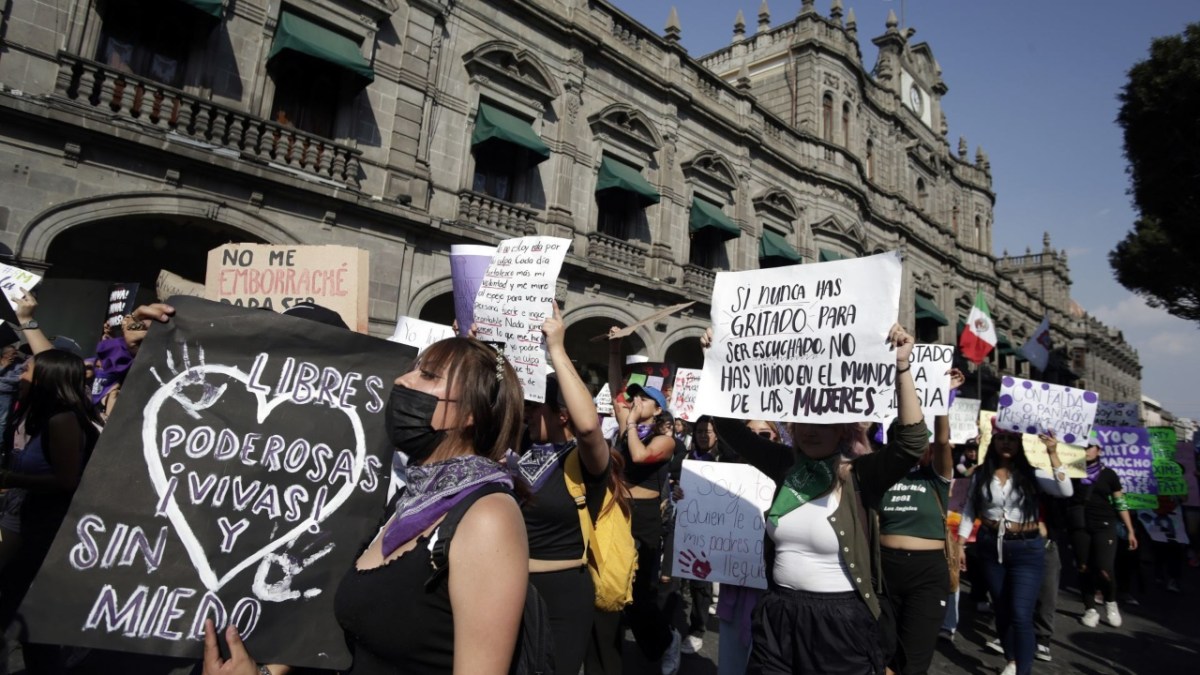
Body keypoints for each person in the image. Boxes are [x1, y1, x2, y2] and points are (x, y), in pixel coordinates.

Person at [205, 336, 529, 675]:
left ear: (471, 414)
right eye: (412, 371)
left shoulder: (489, 517)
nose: (402, 381)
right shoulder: (408, 503)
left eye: (429, 376)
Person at [703, 323, 928, 675]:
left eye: (823, 423)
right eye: (802, 422)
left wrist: (902, 365)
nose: (811, 430)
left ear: (842, 428)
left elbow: (912, 444)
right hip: (777, 615)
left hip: (840, 624)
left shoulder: (860, 475)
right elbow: (730, 429)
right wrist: (716, 360)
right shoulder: (784, 464)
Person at [517, 305, 613, 675]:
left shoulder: (584, 459)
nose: (525, 412)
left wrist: (557, 348)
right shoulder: (515, 448)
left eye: (534, 406)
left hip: (560, 597)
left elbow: (589, 428)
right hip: (504, 586)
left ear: (561, 414)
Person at [0, 343, 104, 671]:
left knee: (19, 606)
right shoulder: (35, 415)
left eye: (28, 369)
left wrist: (11, 477)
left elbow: (66, 480)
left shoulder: (64, 421)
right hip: (21, 514)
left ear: (47, 378)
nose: (21, 374)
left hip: (42, 525)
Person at [958, 427, 1073, 675]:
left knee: (1021, 613)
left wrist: (1053, 453)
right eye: (1001, 438)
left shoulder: (1032, 474)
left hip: (1026, 549)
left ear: (1020, 444)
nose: (1006, 443)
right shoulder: (981, 474)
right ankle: (1011, 659)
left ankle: (1023, 669)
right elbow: (969, 509)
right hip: (991, 547)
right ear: (994, 442)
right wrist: (960, 543)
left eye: (1012, 439)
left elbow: (1066, 490)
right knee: (1001, 609)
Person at [607, 327, 682, 675]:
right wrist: (614, 351)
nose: (633, 401)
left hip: (647, 516)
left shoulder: (665, 440)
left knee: (639, 591)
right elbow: (613, 388)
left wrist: (632, 422)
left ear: (658, 407)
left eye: (642, 398)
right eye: (633, 397)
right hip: (619, 511)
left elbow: (638, 458)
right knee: (613, 579)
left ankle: (667, 640)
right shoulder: (629, 422)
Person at [880, 368, 964, 675]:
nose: (910, 447)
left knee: (913, 662)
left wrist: (943, 397)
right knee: (882, 654)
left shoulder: (935, 478)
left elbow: (943, 442)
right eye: (901, 439)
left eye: (916, 441)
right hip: (884, 571)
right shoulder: (879, 475)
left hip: (927, 573)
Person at [1068, 438, 1137, 629]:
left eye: (1090, 447)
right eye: (1083, 447)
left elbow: (1120, 502)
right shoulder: (1072, 470)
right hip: (1080, 524)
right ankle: (1090, 608)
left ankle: (1111, 601)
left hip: (1104, 525)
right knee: (1083, 567)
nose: (1086, 450)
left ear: (1099, 450)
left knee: (1104, 568)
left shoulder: (1109, 474)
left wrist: (1130, 530)